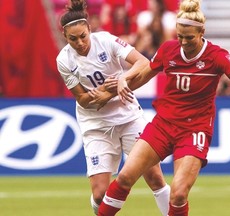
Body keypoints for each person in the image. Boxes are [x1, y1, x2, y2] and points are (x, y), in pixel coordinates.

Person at [98, 0, 230, 215]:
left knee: (178, 193)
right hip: (163, 125)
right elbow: (143, 75)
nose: (184, 42)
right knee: (124, 178)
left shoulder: (216, 56)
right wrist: (122, 82)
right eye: (180, 36)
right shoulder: (168, 49)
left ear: (202, 32)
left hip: (194, 130)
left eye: (189, 38)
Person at [55, 0, 170, 215]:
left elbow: (143, 63)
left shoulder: (106, 41)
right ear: (65, 36)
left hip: (128, 117)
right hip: (96, 124)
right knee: (100, 194)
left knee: (155, 178)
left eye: (83, 36)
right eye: (73, 39)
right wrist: (104, 95)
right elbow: (82, 99)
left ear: (90, 29)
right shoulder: (64, 60)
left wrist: (121, 79)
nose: (80, 42)